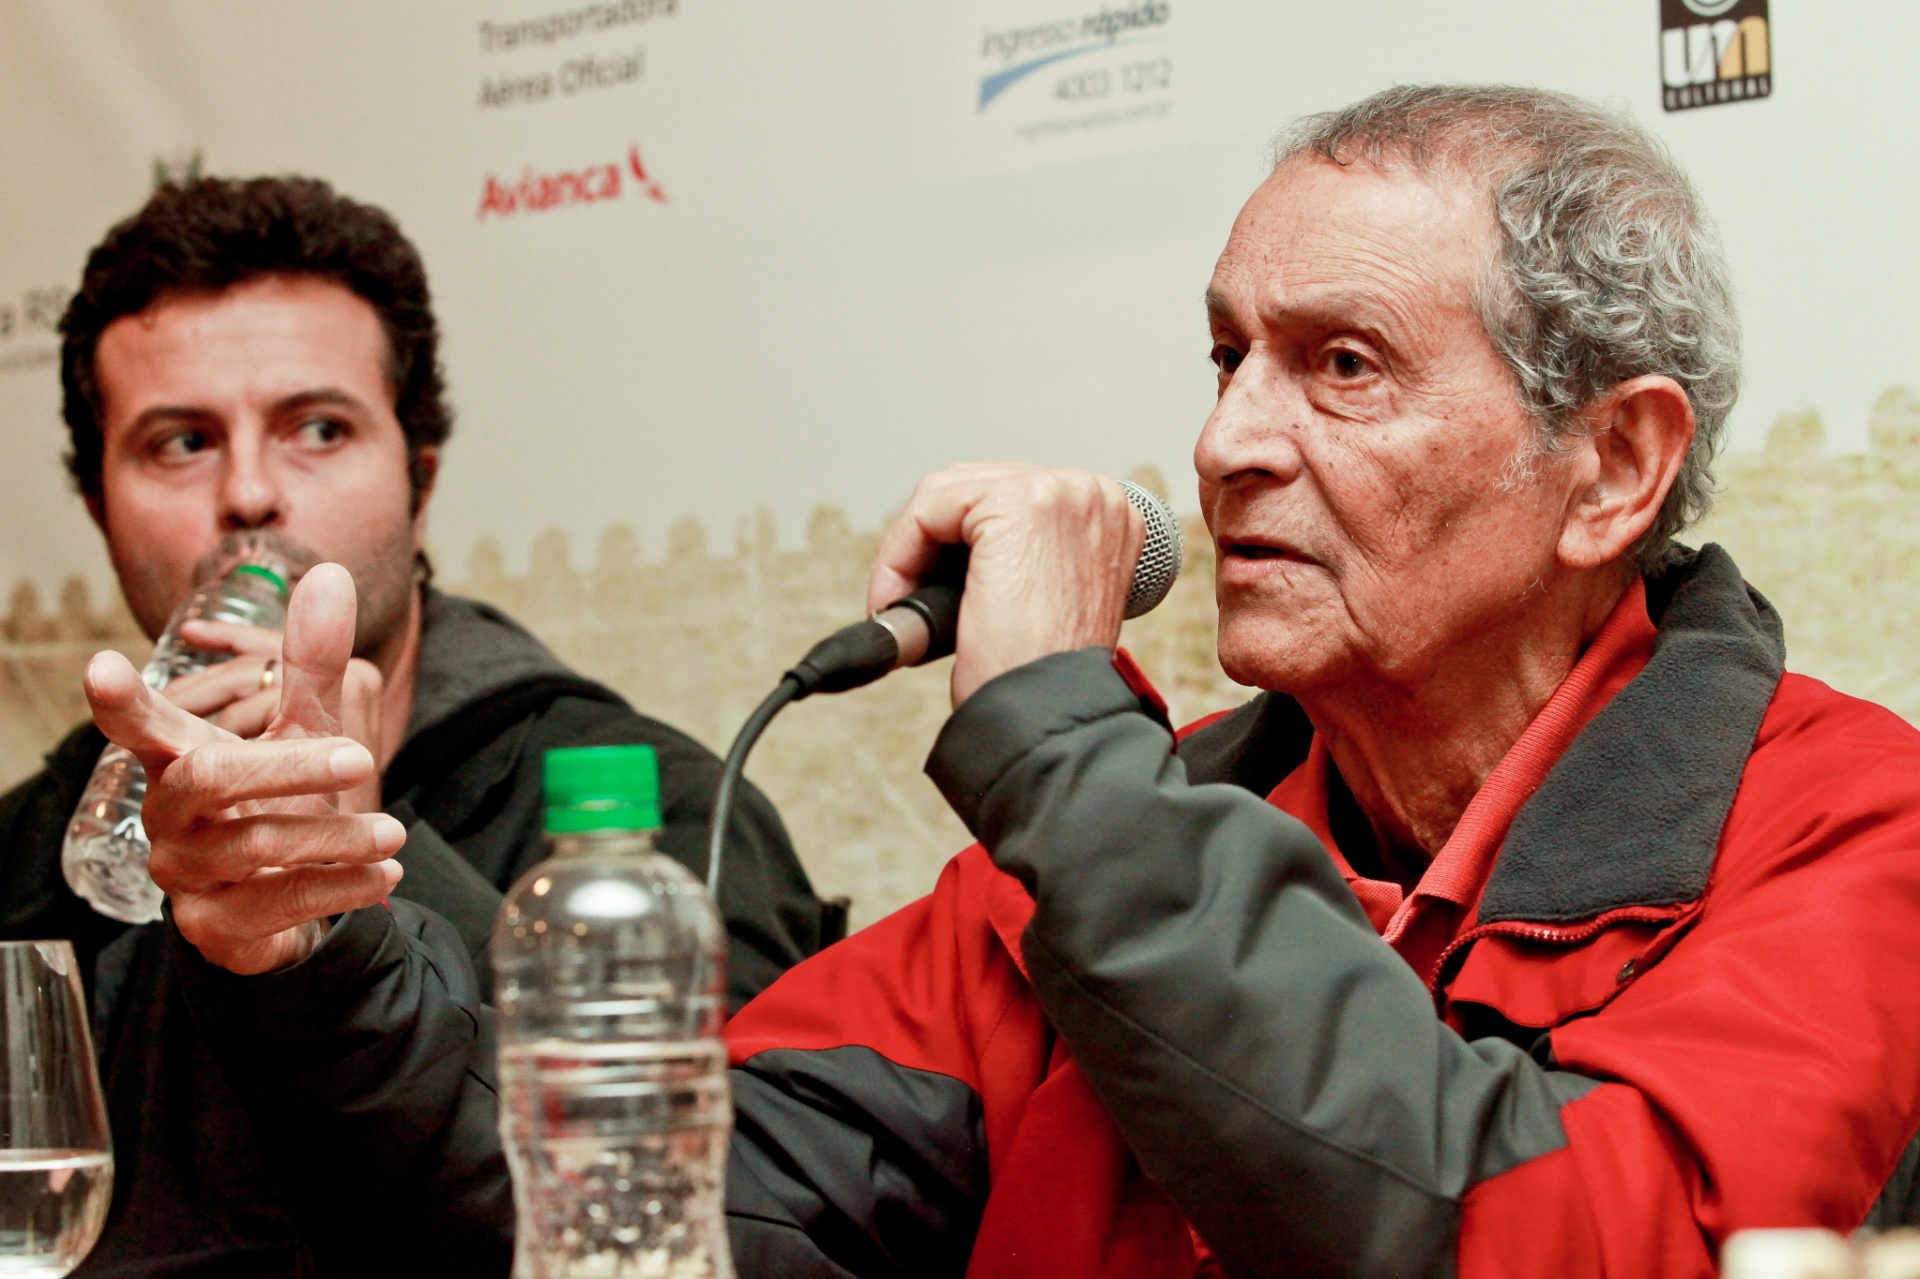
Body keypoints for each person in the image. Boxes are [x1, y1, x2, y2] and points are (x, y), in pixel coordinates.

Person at [81, 85, 1920, 1277]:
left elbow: (1556, 1236)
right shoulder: (1093, 848)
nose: (1227, 441)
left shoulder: (1852, 829)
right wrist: (319, 948)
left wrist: (1062, 748)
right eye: (1224, 356)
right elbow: (649, 1216)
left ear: (1611, 465)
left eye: (1343, 365)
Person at [0, 176, 828, 1278]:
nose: (248, 493)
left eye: (319, 428)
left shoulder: (653, 822)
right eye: (180, 442)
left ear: (418, 480)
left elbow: (762, 1227)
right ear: (100, 510)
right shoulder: (30, 854)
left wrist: (364, 898)